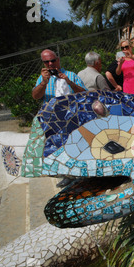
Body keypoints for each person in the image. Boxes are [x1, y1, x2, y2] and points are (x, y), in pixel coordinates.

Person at [32, 49, 87, 188]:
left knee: (75, 146)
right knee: (57, 147)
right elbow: (35, 96)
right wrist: (44, 83)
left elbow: (85, 94)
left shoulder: (70, 75)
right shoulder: (42, 78)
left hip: (72, 118)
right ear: (43, 63)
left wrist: (69, 83)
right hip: (52, 119)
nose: (51, 64)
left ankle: (81, 174)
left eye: (53, 60)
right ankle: (67, 175)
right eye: (47, 62)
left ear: (58, 59)